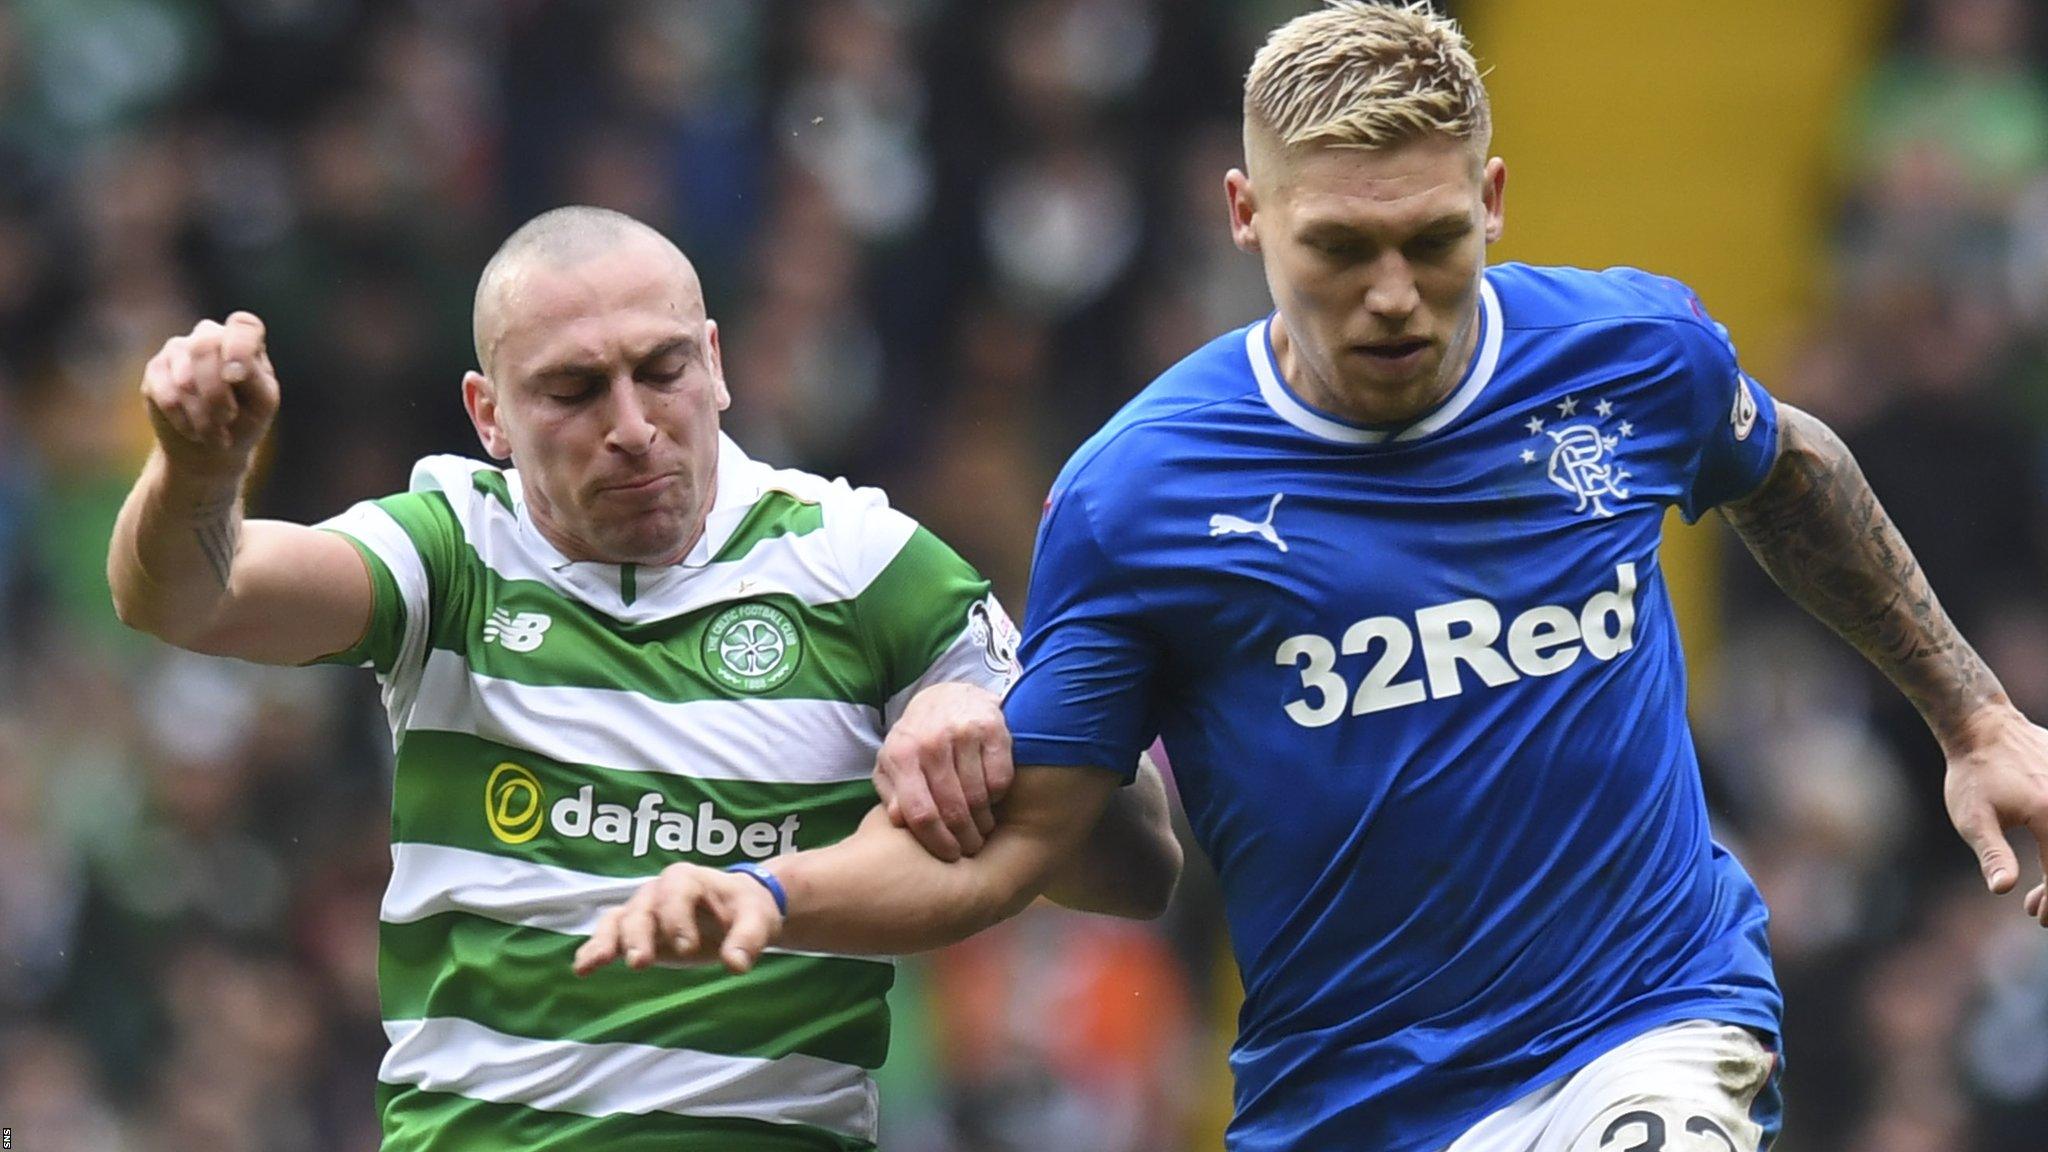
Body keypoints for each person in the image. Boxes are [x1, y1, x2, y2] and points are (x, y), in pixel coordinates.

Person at [575, 5, 2048, 1151]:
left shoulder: (1627, 357)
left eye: (1433, 240)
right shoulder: (1141, 494)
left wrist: (1974, 719)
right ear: (1244, 216)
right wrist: (776, 889)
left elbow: (1787, 469)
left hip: (1648, 1021)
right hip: (1349, 1098)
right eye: (1340, 248)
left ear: (1495, 200)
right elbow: (1030, 841)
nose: (1394, 294)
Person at [106, 205, 1181, 1152]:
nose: (629, 427)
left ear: (716, 362)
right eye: (572, 389)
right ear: (488, 415)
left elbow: (1135, 868)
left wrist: (984, 720)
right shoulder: (449, 551)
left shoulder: (860, 564)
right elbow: (188, 598)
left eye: (661, 370)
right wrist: (197, 470)